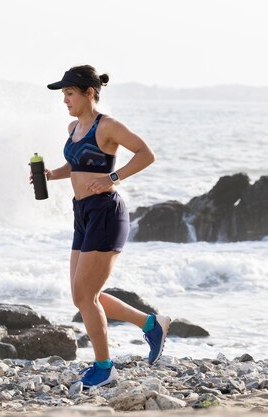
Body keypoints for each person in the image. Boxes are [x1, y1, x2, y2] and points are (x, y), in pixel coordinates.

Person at [40, 65, 171, 388]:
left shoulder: (108, 126)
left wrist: (113, 177)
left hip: (106, 213)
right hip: (82, 212)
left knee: (86, 295)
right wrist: (50, 175)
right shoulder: (73, 127)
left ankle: (104, 367)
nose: (65, 100)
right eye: (64, 94)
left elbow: (146, 154)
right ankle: (151, 324)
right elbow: (78, 164)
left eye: (69, 93)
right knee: (82, 295)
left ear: (88, 92)